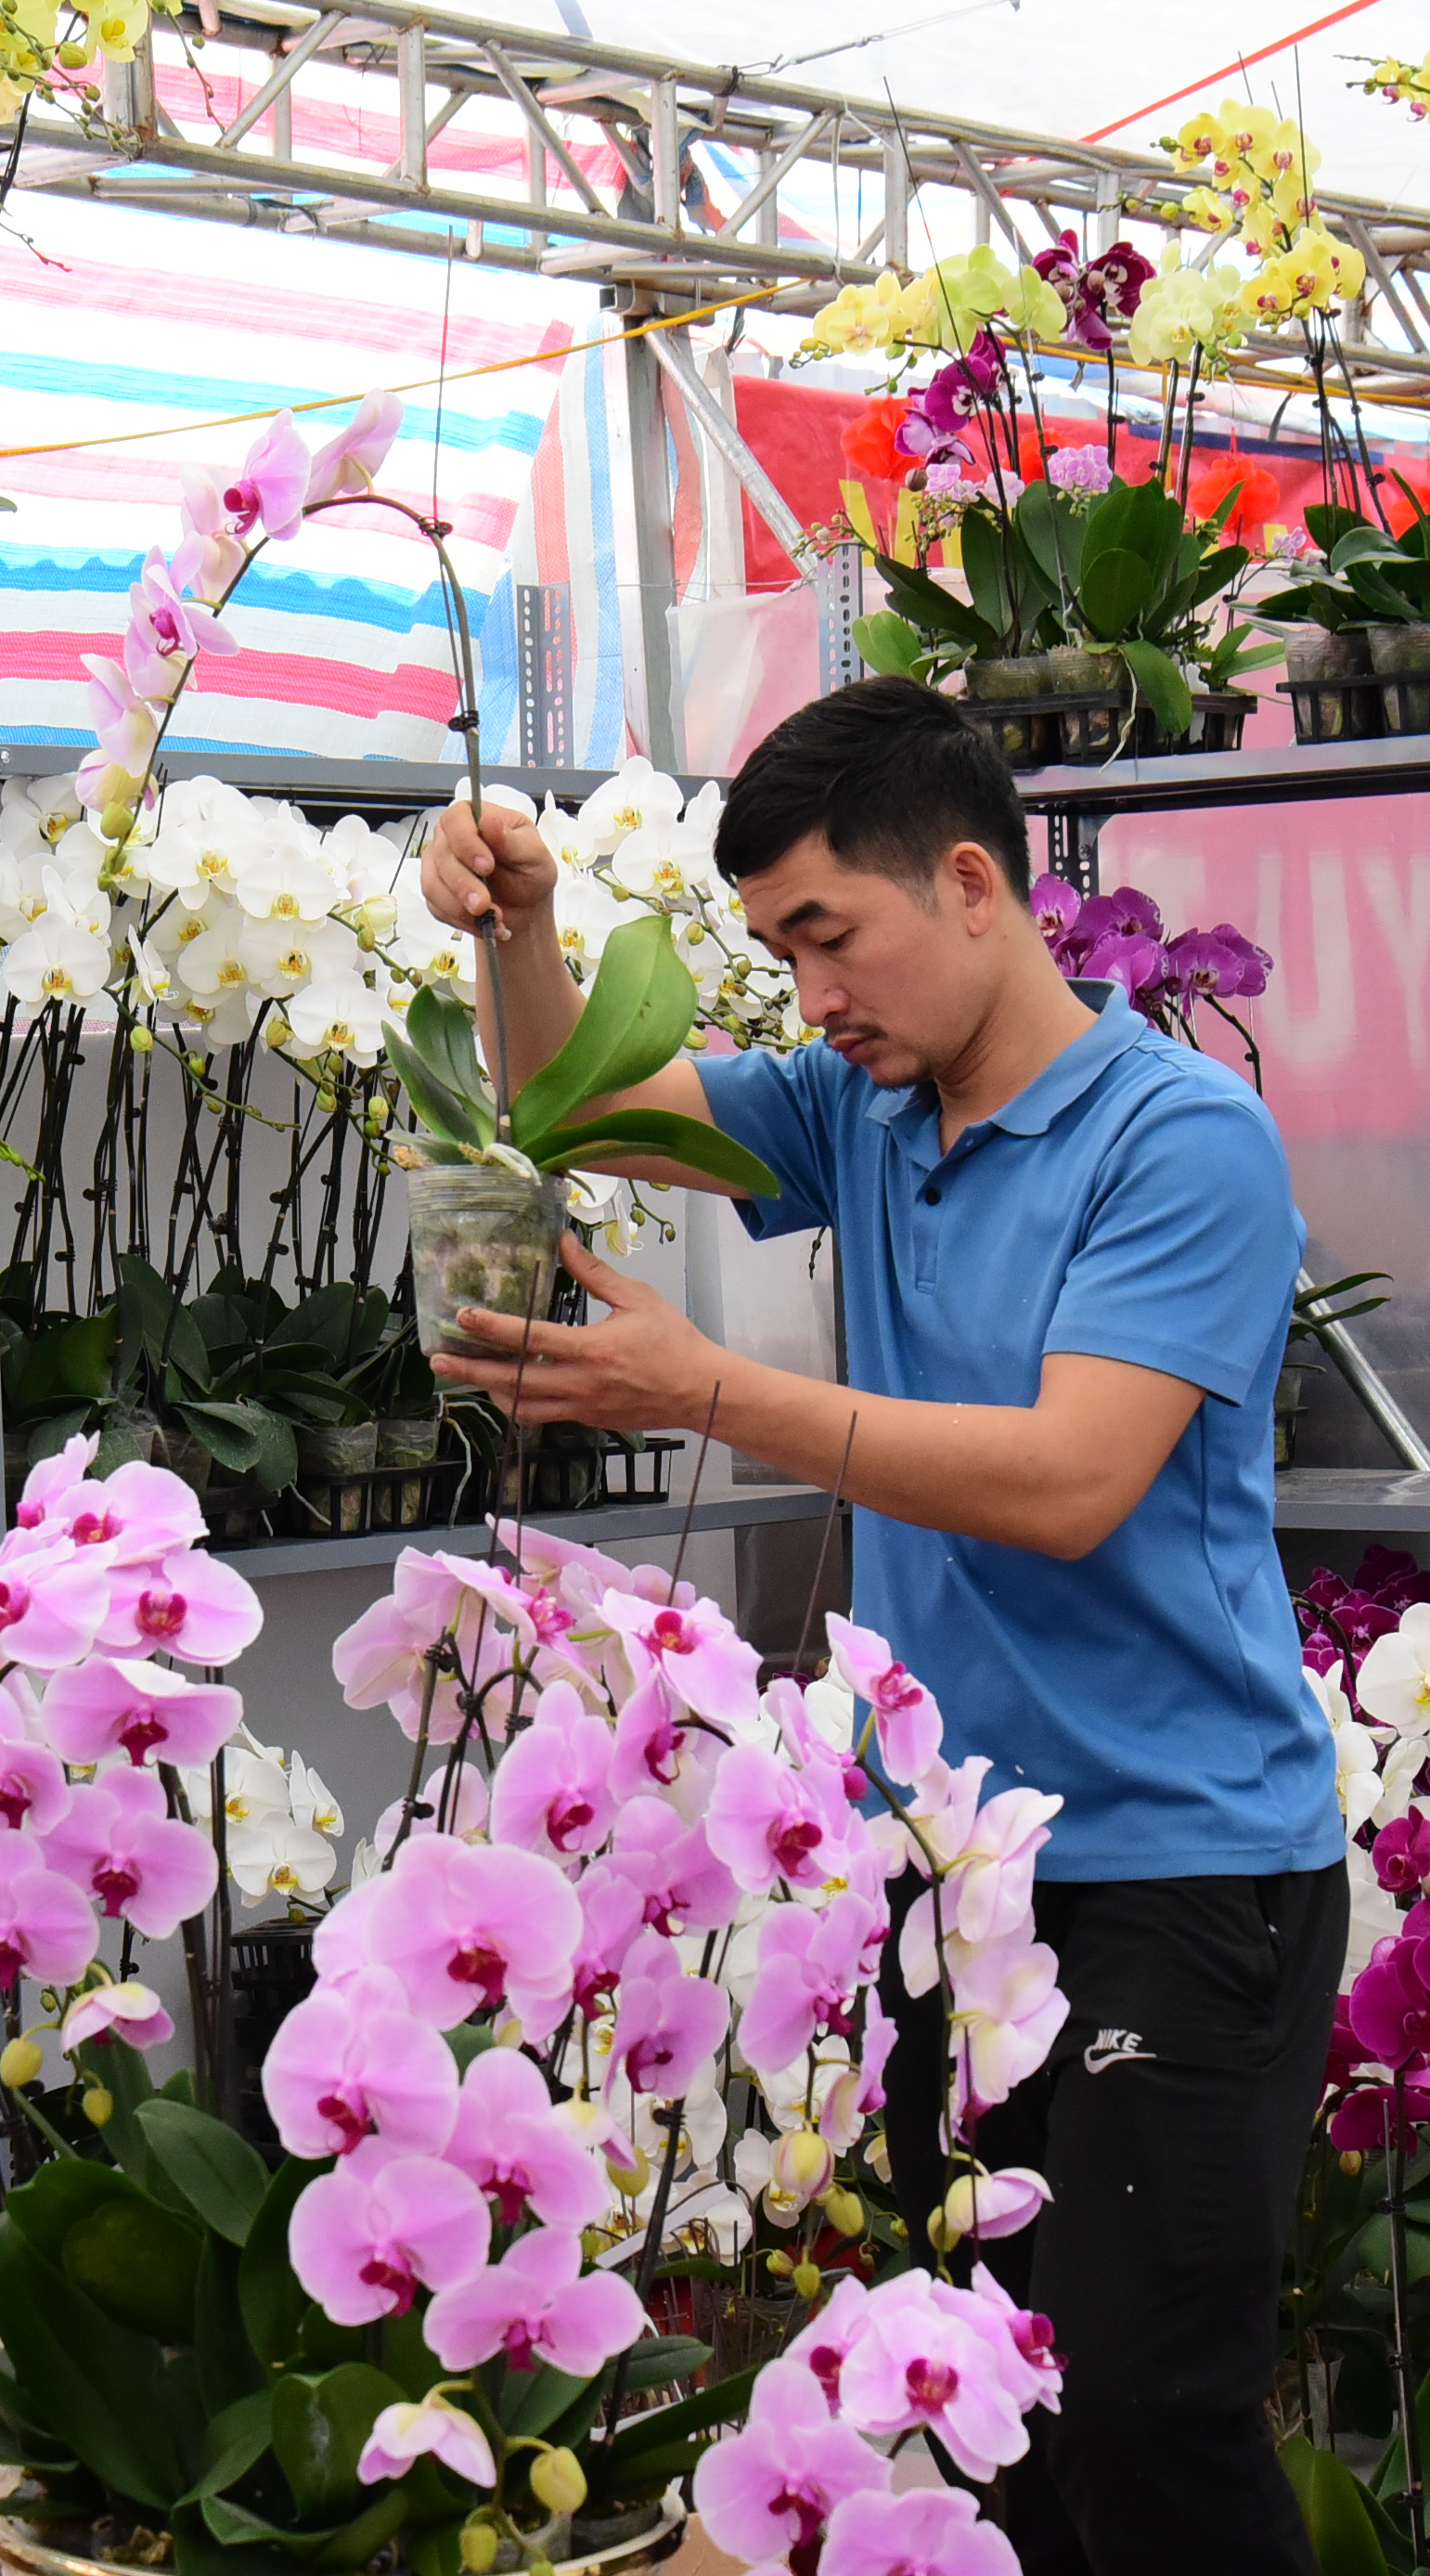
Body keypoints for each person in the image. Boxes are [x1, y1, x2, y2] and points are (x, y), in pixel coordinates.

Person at [417, 676, 1346, 2576]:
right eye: (773, 951)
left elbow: (1071, 1478)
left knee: (1152, 2421)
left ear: (979, 883)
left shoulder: (1179, 1144)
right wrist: (521, 928)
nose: (808, 994)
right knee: (974, 2398)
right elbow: (586, 1105)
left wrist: (712, 1393)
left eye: (829, 936)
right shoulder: (866, 1112)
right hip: (950, 1878)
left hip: (1173, 1871)